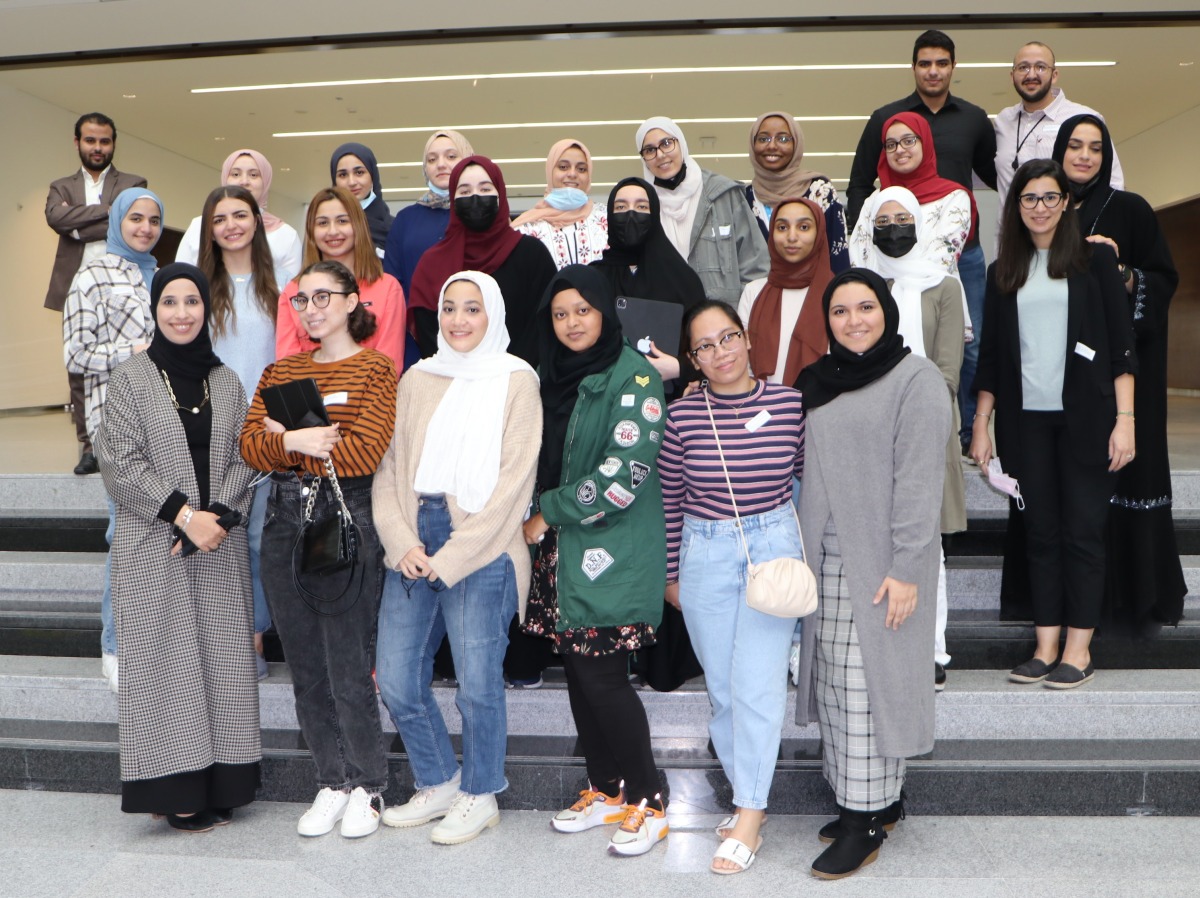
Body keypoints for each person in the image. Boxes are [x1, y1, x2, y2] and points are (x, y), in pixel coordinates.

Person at [372, 271, 540, 845]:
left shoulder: (518, 379)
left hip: (483, 545)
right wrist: (403, 544)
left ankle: (481, 791)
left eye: (473, 308)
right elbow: (390, 469)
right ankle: (440, 778)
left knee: (476, 685)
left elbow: (515, 485)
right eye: (449, 308)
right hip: (415, 537)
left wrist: (451, 557)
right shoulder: (417, 377)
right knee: (395, 678)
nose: (459, 320)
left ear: (492, 314)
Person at [794, 268, 950, 880]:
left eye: (865, 307)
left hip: (884, 563)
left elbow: (919, 482)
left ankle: (861, 824)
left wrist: (910, 567)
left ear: (886, 311)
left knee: (867, 688)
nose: (853, 320)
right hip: (828, 558)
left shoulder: (916, 379)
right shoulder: (820, 380)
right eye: (840, 311)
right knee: (838, 683)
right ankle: (877, 801)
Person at [97, 262, 260, 833]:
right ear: (155, 309)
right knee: (166, 667)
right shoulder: (130, 379)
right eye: (170, 302)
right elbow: (118, 462)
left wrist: (214, 519)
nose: (182, 313)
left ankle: (225, 781)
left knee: (221, 665)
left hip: (218, 543)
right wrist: (183, 516)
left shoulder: (226, 380)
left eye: (192, 301)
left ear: (206, 309)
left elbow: (247, 455)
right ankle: (177, 788)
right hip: (153, 545)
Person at [240, 259, 398, 839]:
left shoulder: (377, 369)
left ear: (353, 301)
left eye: (323, 297)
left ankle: (368, 785)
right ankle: (331, 780)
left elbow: (361, 454)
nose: (311, 308)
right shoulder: (281, 370)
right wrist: (303, 439)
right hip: (283, 518)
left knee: (348, 661)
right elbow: (250, 446)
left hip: (343, 515)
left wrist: (288, 439)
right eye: (301, 300)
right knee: (304, 661)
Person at [970, 159, 1137, 690]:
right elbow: (992, 358)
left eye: (1049, 197)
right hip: (1026, 426)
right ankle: (1045, 646)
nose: (1039, 207)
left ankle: (1079, 649)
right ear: (1015, 206)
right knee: (1040, 535)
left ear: (1065, 202)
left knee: (1082, 534)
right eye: (1028, 198)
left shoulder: (1094, 262)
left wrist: (1126, 421)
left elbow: (1121, 352)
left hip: (1087, 422)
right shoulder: (1005, 272)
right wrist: (981, 423)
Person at [521, 264, 668, 857]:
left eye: (583, 309)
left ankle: (651, 800)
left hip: (610, 549)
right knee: (581, 678)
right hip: (561, 549)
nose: (572, 322)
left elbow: (622, 477)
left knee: (605, 680)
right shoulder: (549, 377)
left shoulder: (634, 378)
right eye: (560, 313)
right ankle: (607, 790)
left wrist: (546, 511)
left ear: (606, 310)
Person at [658, 301, 806, 874]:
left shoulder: (789, 402)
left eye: (728, 338)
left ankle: (750, 811)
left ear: (746, 339)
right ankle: (750, 793)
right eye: (705, 346)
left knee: (758, 686)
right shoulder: (682, 418)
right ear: (691, 358)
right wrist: (671, 572)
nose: (720, 353)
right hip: (704, 553)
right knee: (722, 688)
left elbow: (803, 478)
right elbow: (670, 501)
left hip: (771, 548)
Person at [1051, 116, 1184, 631]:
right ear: (1060, 151)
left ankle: (1134, 597)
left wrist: (1124, 274)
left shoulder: (1129, 209)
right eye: (1075, 146)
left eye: (1095, 148)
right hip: (1061, 375)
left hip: (1125, 371)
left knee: (1127, 468)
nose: (1084, 156)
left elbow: (1163, 279)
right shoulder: (1045, 208)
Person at [846, 29, 996, 457]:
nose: (933, 71)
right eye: (924, 63)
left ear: (953, 67)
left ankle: (966, 432)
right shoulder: (885, 118)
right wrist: (868, 242)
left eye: (941, 63)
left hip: (958, 255)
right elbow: (859, 183)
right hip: (890, 256)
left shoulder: (973, 118)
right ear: (913, 67)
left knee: (969, 347)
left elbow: (995, 174)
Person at [855, 186, 967, 690]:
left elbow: (947, 370)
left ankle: (933, 648)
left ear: (919, 224)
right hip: (868, 431)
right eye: (885, 219)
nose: (894, 227)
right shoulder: (858, 286)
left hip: (927, 427)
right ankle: (882, 640)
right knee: (876, 538)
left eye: (904, 217)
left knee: (926, 542)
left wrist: (914, 416)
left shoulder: (943, 285)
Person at [63, 186, 164, 693]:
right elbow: (76, 355)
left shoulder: (163, 277)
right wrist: (137, 350)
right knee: (125, 536)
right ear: (118, 221)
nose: (144, 228)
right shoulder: (93, 274)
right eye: (136, 219)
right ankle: (116, 647)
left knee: (161, 535)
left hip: (166, 427)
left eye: (153, 220)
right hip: (119, 428)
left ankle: (154, 645)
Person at [196, 185, 282, 679]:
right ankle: (214, 643)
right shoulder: (201, 289)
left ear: (257, 219)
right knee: (218, 538)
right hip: (213, 431)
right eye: (220, 218)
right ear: (209, 229)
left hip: (268, 433)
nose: (231, 225)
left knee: (256, 542)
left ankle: (253, 640)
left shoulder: (283, 286)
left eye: (240, 214)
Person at [44, 112, 147, 476]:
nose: (98, 147)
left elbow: (129, 219)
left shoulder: (134, 181)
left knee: (128, 366)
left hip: (123, 288)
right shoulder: (60, 186)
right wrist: (108, 215)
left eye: (104, 141)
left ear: (113, 143)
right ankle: (89, 447)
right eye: (90, 140)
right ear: (77, 143)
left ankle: (127, 441)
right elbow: (56, 219)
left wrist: (77, 223)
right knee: (80, 370)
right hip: (76, 287)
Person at [409, 155, 557, 366]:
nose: (476, 197)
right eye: (465, 191)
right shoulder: (432, 263)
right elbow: (428, 333)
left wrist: (509, 374)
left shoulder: (532, 255)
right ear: (453, 198)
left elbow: (543, 324)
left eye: (485, 189)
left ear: (500, 195)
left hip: (516, 379)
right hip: (451, 382)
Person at [635, 116, 769, 306]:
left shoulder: (723, 194)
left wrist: (744, 320)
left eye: (667, 143)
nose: (660, 154)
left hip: (722, 324)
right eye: (649, 150)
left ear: (681, 144)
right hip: (668, 323)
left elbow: (756, 267)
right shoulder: (643, 206)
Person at [589, 176, 707, 392]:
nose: (631, 214)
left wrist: (680, 367)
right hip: (603, 399)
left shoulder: (683, 280)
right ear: (609, 215)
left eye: (642, 206)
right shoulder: (592, 278)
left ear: (654, 214)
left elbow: (707, 347)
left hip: (671, 405)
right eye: (621, 206)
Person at [993, 41, 1125, 229]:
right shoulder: (1004, 120)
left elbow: (1112, 182)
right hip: (1013, 240)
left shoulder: (1083, 118)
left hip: (1068, 236)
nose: (1031, 74)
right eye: (1023, 67)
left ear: (1054, 75)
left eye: (1040, 67)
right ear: (1012, 75)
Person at [275, 187, 405, 372]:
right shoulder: (293, 292)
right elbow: (287, 367)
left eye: (342, 221)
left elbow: (389, 365)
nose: (332, 231)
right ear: (312, 231)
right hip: (307, 399)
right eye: (322, 223)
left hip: (370, 397)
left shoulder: (388, 288)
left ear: (358, 225)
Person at [384, 129, 474, 369]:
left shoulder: (478, 213)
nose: (441, 164)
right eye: (432, 159)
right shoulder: (405, 219)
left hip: (473, 335)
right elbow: (393, 282)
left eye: (451, 156)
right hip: (416, 336)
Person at [849, 113, 973, 279]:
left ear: (925, 143)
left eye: (908, 141)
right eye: (891, 144)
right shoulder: (875, 201)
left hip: (933, 295)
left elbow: (942, 259)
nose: (899, 150)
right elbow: (859, 256)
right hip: (878, 297)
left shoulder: (954, 197)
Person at [738, 198, 834, 386]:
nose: (792, 237)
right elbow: (741, 359)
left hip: (823, 404)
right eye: (782, 227)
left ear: (819, 233)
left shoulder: (837, 292)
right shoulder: (753, 291)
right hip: (762, 406)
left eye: (804, 227)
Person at [175, 148, 304, 281]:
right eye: (235, 174)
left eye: (253, 175)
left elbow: (291, 289)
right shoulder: (199, 224)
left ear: (266, 181)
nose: (244, 181)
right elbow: (179, 276)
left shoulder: (286, 234)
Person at [746, 111, 849, 272]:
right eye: (763, 139)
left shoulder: (820, 191)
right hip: (759, 294)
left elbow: (838, 254)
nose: (772, 145)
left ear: (797, 144)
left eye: (783, 139)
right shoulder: (744, 198)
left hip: (817, 292)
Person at [514, 139, 609, 268]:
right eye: (563, 167)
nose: (572, 174)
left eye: (581, 169)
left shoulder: (608, 219)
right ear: (550, 171)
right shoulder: (525, 228)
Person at [330, 142, 393, 255]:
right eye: (343, 175)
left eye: (359, 172)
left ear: (373, 176)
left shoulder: (394, 228)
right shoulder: (326, 228)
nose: (352, 182)